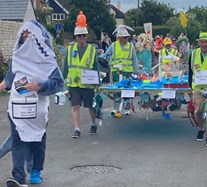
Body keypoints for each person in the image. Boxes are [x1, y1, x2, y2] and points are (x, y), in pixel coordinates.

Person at [0, 19, 64, 187]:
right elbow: (10, 78)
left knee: (37, 141)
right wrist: (2, 86)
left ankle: (36, 170)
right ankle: (18, 176)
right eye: (24, 34)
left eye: (30, 34)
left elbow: (58, 83)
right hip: (16, 107)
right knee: (17, 141)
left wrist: (40, 86)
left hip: (38, 110)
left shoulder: (48, 62)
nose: (26, 37)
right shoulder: (17, 59)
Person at [63, 11, 99, 139]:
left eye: (83, 35)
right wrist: (63, 81)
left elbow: (95, 66)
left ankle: (93, 124)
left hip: (88, 83)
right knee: (75, 106)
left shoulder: (92, 50)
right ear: (75, 37)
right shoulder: (70, 49)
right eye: (79, 36)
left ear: (86, 36)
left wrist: (97, 80)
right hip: (74, 83)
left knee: (90, 106)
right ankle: (77, 129)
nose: (81, 38)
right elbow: (66, 66)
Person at [102, 25, 139, 117]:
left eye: (127, 37)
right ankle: (116, 108)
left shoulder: (131, 46)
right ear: (119, 38)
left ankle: (127, 108)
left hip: (128, 72)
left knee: (127, 91)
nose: (126, 39)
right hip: (116, 72)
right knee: (117, 91)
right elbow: (107, 55)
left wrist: (136, 71)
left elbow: (134, 60)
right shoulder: (114, 46)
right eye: (124, 37)